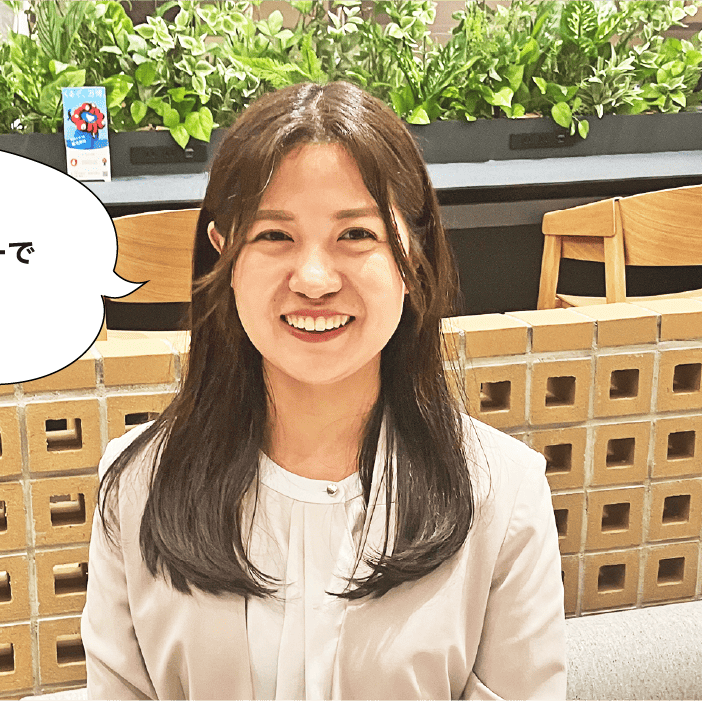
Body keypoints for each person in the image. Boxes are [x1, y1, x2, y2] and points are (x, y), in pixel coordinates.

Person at [82, 81, 567, 700]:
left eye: (356, 235)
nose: (314, 280)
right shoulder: (136, 485)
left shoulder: (504, 495)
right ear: (224, 254)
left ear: (413, 253)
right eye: (274, 235)